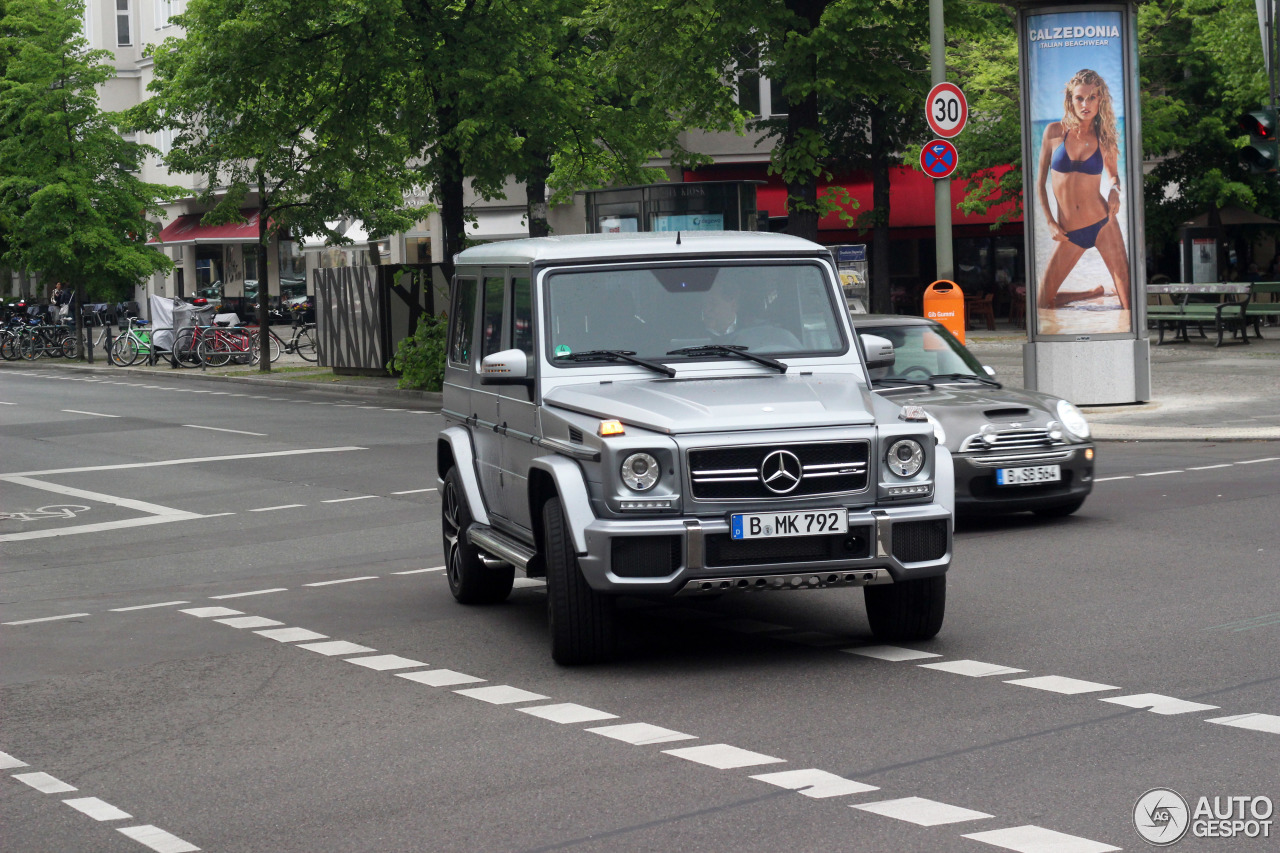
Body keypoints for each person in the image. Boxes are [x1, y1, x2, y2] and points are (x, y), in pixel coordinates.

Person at [1035, 69, 1130, 311]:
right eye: (1079, 98)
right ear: (1070, 100)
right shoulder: (1054, 132)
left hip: (1103, 224)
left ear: (1100, 101)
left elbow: (1113, 175)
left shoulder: (1104, 137)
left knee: (1128, 303)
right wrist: (1049, 222)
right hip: (1069, 232)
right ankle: (1090, 293)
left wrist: (1115, 191)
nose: (1085, 104)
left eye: (1092, 98)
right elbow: (1040, 183)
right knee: (1042, 304)